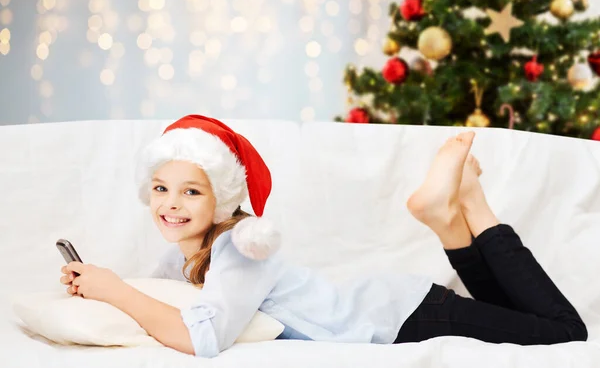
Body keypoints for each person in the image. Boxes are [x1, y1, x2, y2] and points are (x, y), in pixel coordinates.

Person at [60, 114, 588, 358]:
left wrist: (113, 290)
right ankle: (451, 221)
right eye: (161, 188)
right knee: (526, 324)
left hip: (407, 319)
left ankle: (471, 202)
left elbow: (204, 337)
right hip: (396, 307)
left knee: (566, 334)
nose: (171, 204)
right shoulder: (187, 255)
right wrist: (96, 285)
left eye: (191, 192)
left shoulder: (238, 246)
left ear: (220, 199)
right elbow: (156, 302)